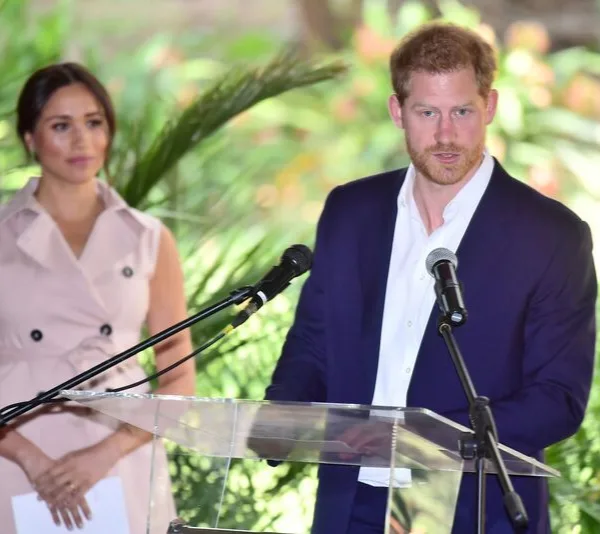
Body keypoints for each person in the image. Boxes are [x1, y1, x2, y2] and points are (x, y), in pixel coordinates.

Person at [264, 22, 597, 534]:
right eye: (427, 112)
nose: (445, 135)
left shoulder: (551, 235)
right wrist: (276, 423)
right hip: (351, 505)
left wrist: (423, 438)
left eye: (461, 111)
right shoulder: (350, 211)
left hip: (471, 508)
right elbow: (314, 342)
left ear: (489, 106)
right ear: (398, 111)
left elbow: (558, 398)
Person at [0, 63, 196, 533]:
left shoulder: (149, 238)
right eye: (60, 126)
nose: (81, 140)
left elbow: (180, 380)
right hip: (19, 451)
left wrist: (102, 454)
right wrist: (32, 459)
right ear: (30, 137)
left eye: (94, 123)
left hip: (121, 450)